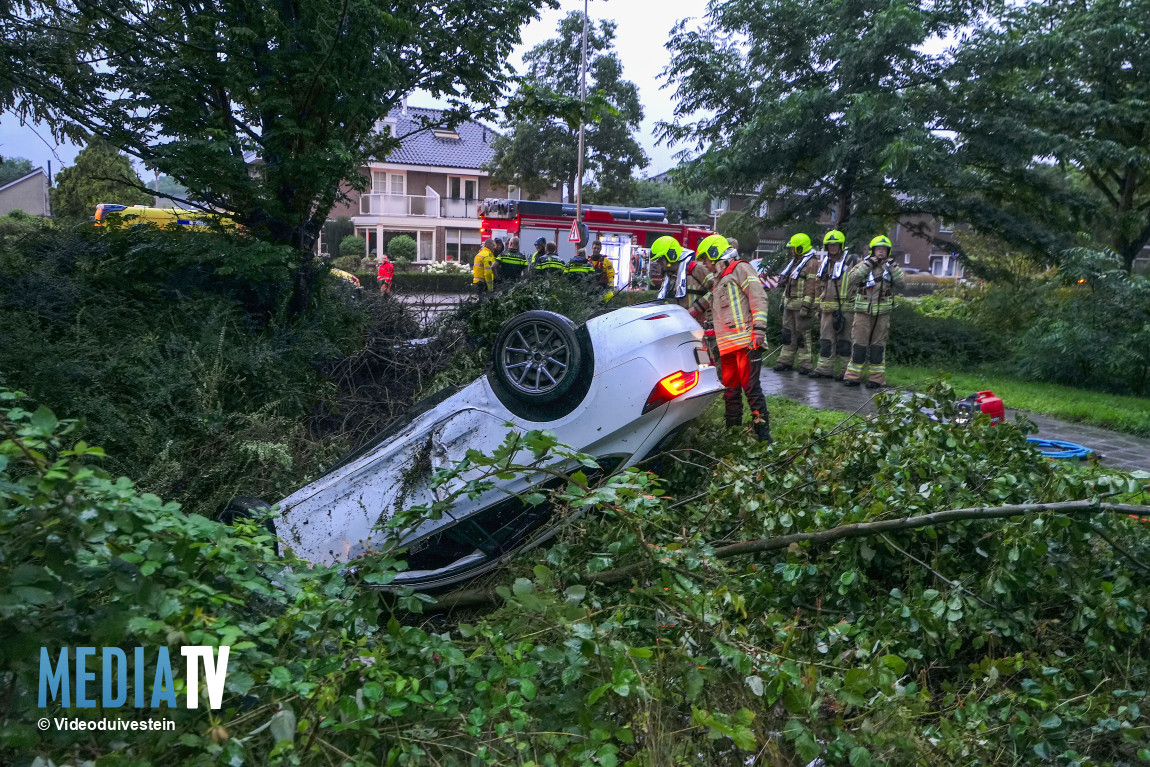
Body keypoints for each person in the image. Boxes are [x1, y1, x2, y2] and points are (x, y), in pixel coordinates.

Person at [708, 237, 772, 443]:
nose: (704, 264)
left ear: (714, 255)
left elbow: (758, 297)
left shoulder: (741, 269)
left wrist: (759, 330)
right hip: (727, 346)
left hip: (746, 342)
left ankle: (763, 437)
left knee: (751, 390)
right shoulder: (718, 281)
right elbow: (711, 306)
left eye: (705, 259)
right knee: (730, 392)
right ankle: (732, 435)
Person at [844, 235, 905, 388]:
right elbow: (852, 279)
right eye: (878, 249)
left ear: (888, 251)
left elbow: (901, 283)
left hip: (882, 314)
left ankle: (876, 379)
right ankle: (852, 377)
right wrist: (868, 264)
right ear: (873, 250)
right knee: (859, 345)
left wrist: (893, 267)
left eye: (884, 250)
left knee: (878, 347)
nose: (881, 252)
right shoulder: (863, 264)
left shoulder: (891, 267)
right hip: (863, 312)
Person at [809, 230, 855, 380]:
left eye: (835, 245)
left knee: (845, 342)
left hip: (846, 309)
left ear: (841, 246)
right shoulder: (824, 264)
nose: (832, 248)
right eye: (830, 245)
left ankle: (845, 371)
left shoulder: (851, 261)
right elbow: (818, 286)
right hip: (827, 309)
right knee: (826, 340)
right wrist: (818, 307)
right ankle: (824, 369)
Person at [774, 233, 820, 374]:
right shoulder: (795, 262)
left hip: (801, 306)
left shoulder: (811, 263)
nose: (791, 250)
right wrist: (783, 301)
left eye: (793, 248)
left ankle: (805, 365)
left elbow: (811, 286)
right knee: (787, 334)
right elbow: (789, 283)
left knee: (802, 336)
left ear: (801, 248)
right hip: (789, 304)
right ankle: (785, 361)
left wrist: (807, 305)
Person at [650, 236, 696, 308]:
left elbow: (713, 291)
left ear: (671, 255)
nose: (660, 264)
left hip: (696, 318)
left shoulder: (696, 269)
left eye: (661, 260)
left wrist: (698, 308)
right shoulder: (669, 276)